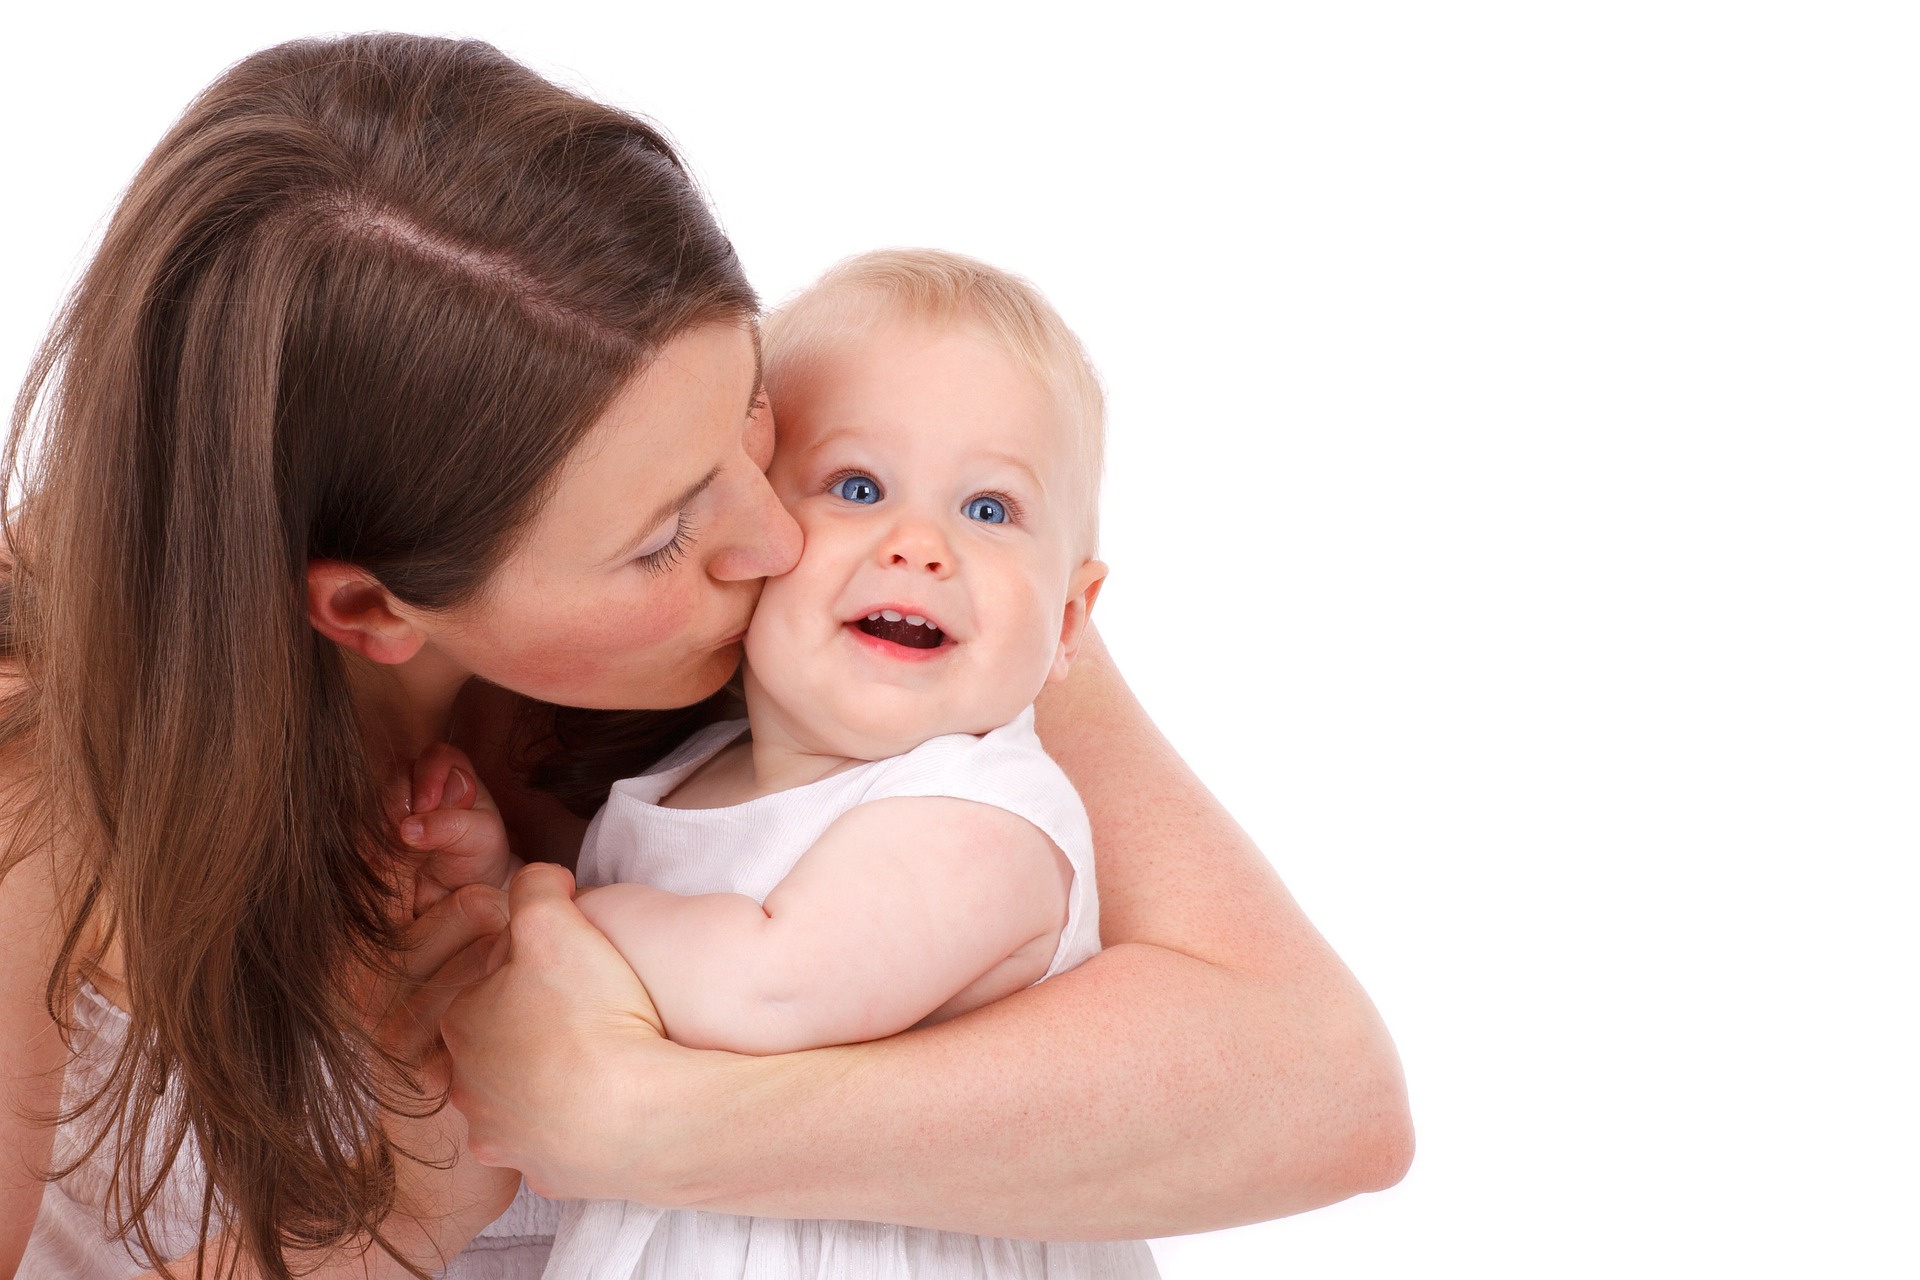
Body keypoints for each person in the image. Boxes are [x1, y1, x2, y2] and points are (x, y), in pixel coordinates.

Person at [0, 31, 1411, 1280]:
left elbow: (1320, 1093)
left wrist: (648, 1121)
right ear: (370, 610)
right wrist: (395, 1219)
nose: (774, 536)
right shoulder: (32, 767)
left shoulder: (879, 563)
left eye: (751, 416)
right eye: (664, 536)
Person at [409, 248, 1157, 1278]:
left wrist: (545, 913)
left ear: (1069, 619)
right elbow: (607, 979)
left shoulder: (981, 814)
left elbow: (762, 987)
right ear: (755, 531)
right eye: (858, 485)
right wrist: (490, 883)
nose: (919, 543)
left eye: (988, 510)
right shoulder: (687, 775)